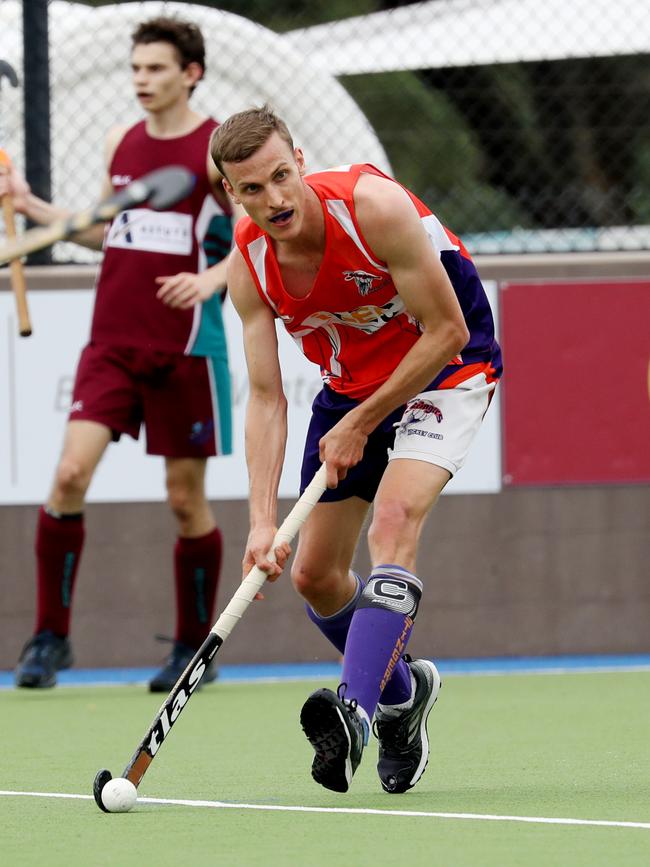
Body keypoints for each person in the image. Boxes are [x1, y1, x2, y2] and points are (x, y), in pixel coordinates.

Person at [210, 106, 502, 795]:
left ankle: (356, 709)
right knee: (315, 574)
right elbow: (267, 397)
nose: (275, 199)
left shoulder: (374, 207)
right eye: (252, 189)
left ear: (301, 160)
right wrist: (259, 519)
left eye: (282, 176)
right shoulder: (248, 265)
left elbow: (447, 330)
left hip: (446, 369)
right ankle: (402, 697)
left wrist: (364, 421)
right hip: (351, 387)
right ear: (232, 194)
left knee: (394, 522)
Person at [0, 17, 239, 692]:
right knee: (70, 474)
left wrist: (210, 280)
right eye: (136, 68)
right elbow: (114, 231)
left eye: (156, 69)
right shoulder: (122, 141)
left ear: (190, 72)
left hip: (186, 344)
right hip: (111, 340)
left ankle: (196, 648)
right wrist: (33, 205)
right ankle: (50, 639)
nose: (142, 80)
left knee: (183, 499)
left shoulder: (214, 149)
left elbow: (255, 235)